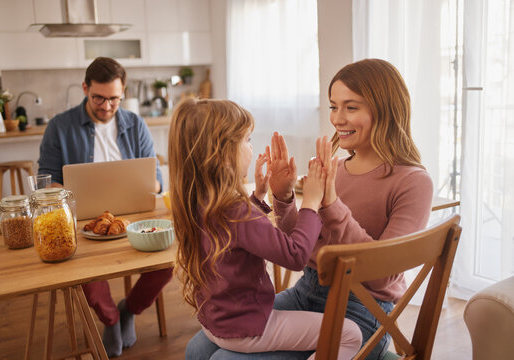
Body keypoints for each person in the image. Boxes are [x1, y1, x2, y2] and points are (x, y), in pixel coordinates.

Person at [185, 58, 434, 360]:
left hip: (363, 310)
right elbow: (302, 247)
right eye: (333, 106)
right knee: (197, 349)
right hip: (308, 290)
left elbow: (382, 276)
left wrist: (330, 203)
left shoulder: (413, 181)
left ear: (385, 110)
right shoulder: (338, 168)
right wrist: (284, 196)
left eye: (351, 107)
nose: (337, 119)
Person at [169, 98, 362, 359]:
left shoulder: (200, 201)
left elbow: (235, 235)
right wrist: (312, 202)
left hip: (216, 323)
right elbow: (294, 256)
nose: (251, 147)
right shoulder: (237, 211)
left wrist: (259, 196)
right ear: (223, 152)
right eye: (247, 140)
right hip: (247, 328)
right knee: (350, 334)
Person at [37, 56, 173, 357]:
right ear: (85, 88)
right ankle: (110, 319)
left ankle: (128, 310)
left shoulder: (135, 124)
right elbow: (46, 180)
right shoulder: (60, 126)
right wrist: (64, 191)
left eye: (115, 98)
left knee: (167, 261)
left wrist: (149, 182)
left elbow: (158, 179)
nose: (107, 106)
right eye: (98, 97)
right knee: (85, 268)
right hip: (86, 223)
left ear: (123, 93)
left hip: (133, 218)